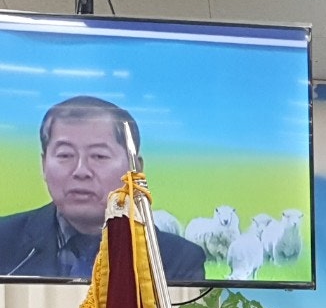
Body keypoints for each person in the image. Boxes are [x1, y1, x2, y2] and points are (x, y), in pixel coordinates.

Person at [0, 96, 206, 282]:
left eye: (99, 156)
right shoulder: (4, 242)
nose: (81, 171)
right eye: (65, 155)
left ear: (135, 170)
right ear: (44, 164)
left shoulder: (176, 260)